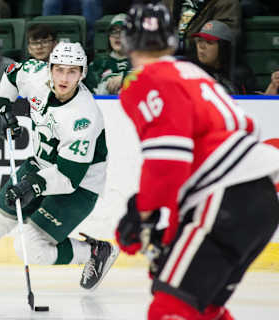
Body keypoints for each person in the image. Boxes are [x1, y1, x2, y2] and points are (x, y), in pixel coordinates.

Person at [115, 4, 279, 320]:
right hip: (259, 200)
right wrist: (169, 227)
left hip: (225, 198)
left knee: (170, 307)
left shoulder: (142, 80)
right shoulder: (193, 73)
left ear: (127, 42)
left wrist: (142, 212)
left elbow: (168, 161)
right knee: (204, 308)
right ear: (173, 40)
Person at [0, 42, 118, 293]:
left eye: (72, 72)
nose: (64, 78)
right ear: (49, 69)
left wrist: (34, 185)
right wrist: (3, 103)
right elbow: (13, 73)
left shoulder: (83, 118)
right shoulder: (37, 75)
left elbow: (69, 178)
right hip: (40, 166)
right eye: (59, 70)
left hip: (78, 187)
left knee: (30, 248)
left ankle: (94, 252)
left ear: (82, 74)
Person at [162, 0, 242, 56]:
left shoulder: (225, 3)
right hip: (167, 56)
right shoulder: (170, 2)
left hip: (200, 63)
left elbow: (225, 40)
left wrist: (184, 45)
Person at [84, 13, 132, 95]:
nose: (117, 36)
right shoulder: (97, 64)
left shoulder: (140, 62)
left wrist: (125, 78)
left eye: (122, 32)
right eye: (114, 32)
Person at [191, 20, 238, 94]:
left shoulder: (238, 75)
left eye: (209, 42)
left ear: (223, 48)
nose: (201, 46)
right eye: (199, 41)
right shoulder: (190, 73)